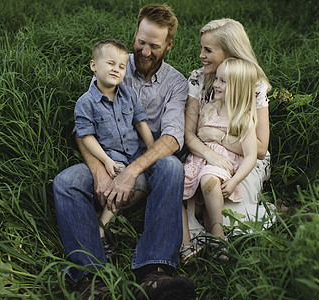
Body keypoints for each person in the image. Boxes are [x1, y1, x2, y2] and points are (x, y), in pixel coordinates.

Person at [53, 4, 195, 299]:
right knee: (65, 183)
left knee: (172, 167)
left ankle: (154, 272)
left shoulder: (176, 83)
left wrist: (132, 171)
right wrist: (100, 172)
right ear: (135, 34)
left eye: (154, 46)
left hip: (150, 160)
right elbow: (84, 128)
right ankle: (91, 278)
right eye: (140, 41)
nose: (144, 51)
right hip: (108, 157)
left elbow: (171, 139)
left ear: (169, 45)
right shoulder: (114, 62)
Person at [183, 19, 275, 245]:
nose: (201, 55)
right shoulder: (198, 78)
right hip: (204, 155)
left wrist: (218, 137)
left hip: (244, 158)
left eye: (208, 50)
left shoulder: (252, 84)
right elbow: (190, 134)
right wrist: (209, 153)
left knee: (227, 213)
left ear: (229, 53)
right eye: (201, 48)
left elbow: (260, 148)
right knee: (198, 193)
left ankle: (217, 235)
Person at [73, 39, 154, 251]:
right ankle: (101, 231)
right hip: (111, 156)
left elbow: (141, 123)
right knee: (117, 185)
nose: (116, 70)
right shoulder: (86, 102)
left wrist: (153, 150)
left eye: (121, 66)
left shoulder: (128, 94)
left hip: (134, 156)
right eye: (110, 64)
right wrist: (106, 161)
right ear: (93, 65)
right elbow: (87, 136)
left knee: (142, 186)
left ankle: (104, 216)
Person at [181, 58, 258, 261]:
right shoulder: (208, 108)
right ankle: (185, 241)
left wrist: (234, 181)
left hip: (221, 166)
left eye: (223, 81)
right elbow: (197, 138)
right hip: (198, 161)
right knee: (175, 187)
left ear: (238, 87)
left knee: (209, 179)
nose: (215, 84)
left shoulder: (242, 117)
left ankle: (217, 238)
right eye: (217, 79)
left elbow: (250, 155)